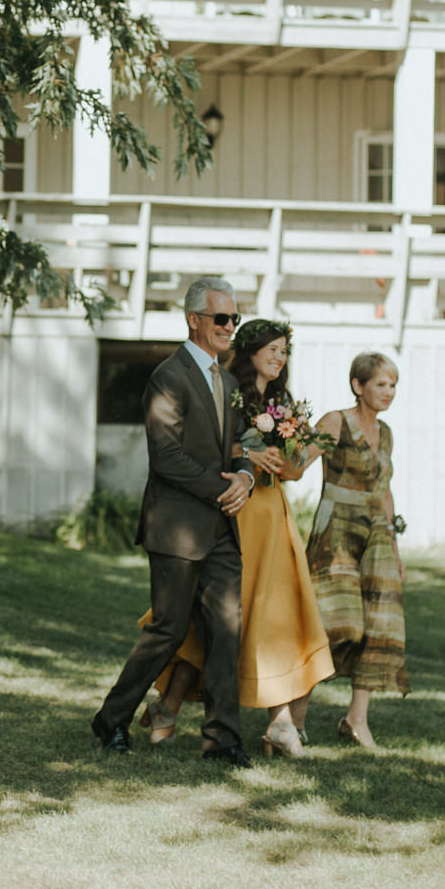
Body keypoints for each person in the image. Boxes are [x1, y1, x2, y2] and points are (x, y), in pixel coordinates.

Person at [138, 319, 333, 758]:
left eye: (285, 351)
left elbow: (294, 470)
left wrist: (308, 445)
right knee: (215, 619)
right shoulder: (228, 392)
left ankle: (274, 720)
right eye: (273, 349)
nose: (280, 358)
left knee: (270, 613)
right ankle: (170, 705)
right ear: (251, 350)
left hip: (272, 516)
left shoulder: (282, 403)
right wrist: (247, 454)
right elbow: (208, 448)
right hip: (236, 513)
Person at [91, 276, 257, 767]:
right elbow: (166, 456)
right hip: (176, 528)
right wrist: (223, 487)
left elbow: (240, 445)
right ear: (194, 320)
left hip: (221, 531)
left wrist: (246, 477)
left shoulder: (227, 381)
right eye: (221, 318)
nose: (230, 327)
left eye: (234, 318)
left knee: (228, 632)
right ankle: (111, 719)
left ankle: (223, 741)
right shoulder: (169, 375)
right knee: (166, 631)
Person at [304, 351, 410, 750]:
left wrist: (395, 548)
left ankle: (356, 719)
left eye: (393, 385)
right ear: (358, 386)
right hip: (337, 535)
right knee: (334, 625)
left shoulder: (387, 432)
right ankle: (291, 719)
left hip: (377, 539)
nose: (389, 392)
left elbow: (384, 490)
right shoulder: (336, 421)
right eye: (381, 384)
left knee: (379, 627)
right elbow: (300, 461)